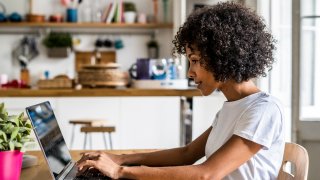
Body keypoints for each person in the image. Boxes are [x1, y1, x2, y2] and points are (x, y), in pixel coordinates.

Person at [76, 2, 285, 179]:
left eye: (194, 61)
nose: (190, 73)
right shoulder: (231, 108)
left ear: (222, 57)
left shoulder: (263, 110)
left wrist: (120, 171)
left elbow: (207, 174)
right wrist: (120, 159)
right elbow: (187, 154)